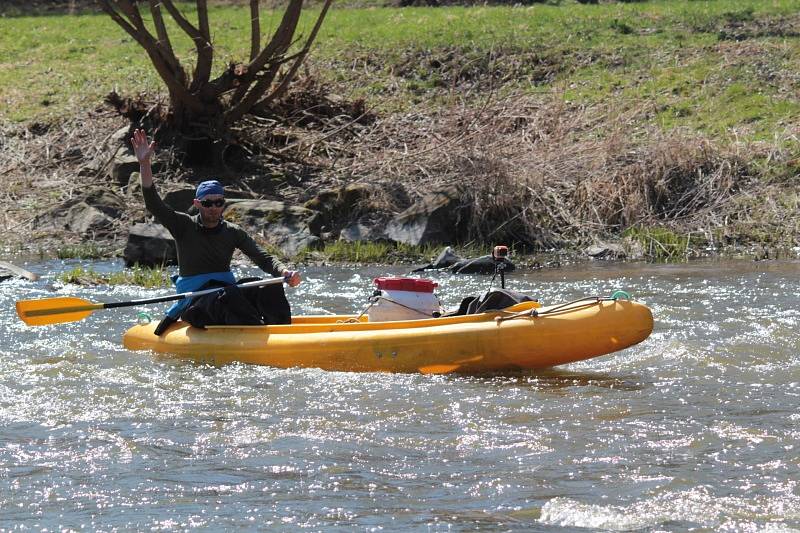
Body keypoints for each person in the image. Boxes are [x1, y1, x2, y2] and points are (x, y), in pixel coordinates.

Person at [131, 129, 301, 334]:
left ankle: (281, 333)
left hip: (226, 293)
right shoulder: (183, 225)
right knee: (228, 295)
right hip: (197, 302)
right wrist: (144, 164)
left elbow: (263, 258)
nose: (213, 207)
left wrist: (284, 272)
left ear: (223, 204)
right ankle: (255, 333)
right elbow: (153, 203)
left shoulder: (232, 232)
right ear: (197, 204)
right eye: (207, 203)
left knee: (267, 285)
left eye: (218, 202)